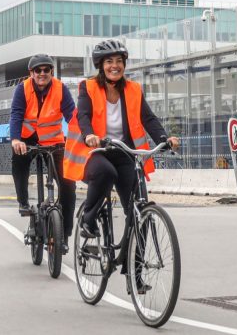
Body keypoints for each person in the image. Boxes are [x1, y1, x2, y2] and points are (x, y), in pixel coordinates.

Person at [64, 39, 179, 291]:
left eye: (119, 61)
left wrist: (164, 138)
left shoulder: (133, 89)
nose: (114, 66)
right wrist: (89, 134)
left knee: (140, 213)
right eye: (109, 61)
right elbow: (83, 115)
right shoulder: (88, 87)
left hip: (124, 152)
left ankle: (134, 273)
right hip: (96, 149)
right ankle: (88, 219)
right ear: (101, 65)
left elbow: (148, 118)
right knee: (105, 172)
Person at [8, 54, 76, 251]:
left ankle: (64, 233)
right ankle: (23, 201)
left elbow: (72, 116)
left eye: (46, 70)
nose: (42, 73)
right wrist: (16, 139)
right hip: (27, 139)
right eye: (38, 70)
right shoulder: (22, 89)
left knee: (68, 183)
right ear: (31, 73)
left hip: (53, 140)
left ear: (52, 72)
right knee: (19, 160)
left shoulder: (61, 88)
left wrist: (82, 135)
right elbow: (16, 115)